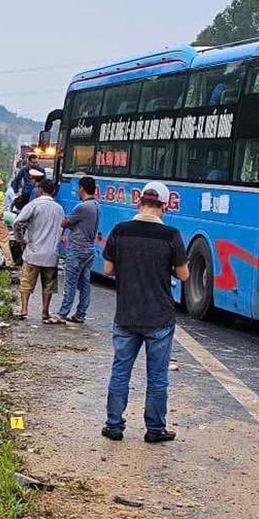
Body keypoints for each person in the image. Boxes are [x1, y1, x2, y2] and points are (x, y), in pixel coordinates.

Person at [101, 181, 189, 442]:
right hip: (159, 317)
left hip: (127, 314)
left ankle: (114, 426)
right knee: (157, 376)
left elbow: (107, 269)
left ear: (139, 202)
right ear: (164, 206)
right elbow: (183, 274)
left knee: (120, 371)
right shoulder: (171, 235)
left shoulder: (120, 230)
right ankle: (155, 428)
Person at [12, 177, 63, 320]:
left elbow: (17, 223)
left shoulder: (33, 205)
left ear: (40, 190)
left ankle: (24, 309)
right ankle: (45, 312)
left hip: (34, 251)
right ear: (53, 191)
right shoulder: (59, 209)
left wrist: (20, 239)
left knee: (26, 281)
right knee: (49, 285)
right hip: (51, 253)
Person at [54, 175, 100, 324]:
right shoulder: (96, 205)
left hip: (77, 249)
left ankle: (62, 314)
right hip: (89, 249)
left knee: (70, 283)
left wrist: (69, 223)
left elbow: (64, 223)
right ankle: (80, 314)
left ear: (81, 188)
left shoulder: (82, 207)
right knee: (85, 283)